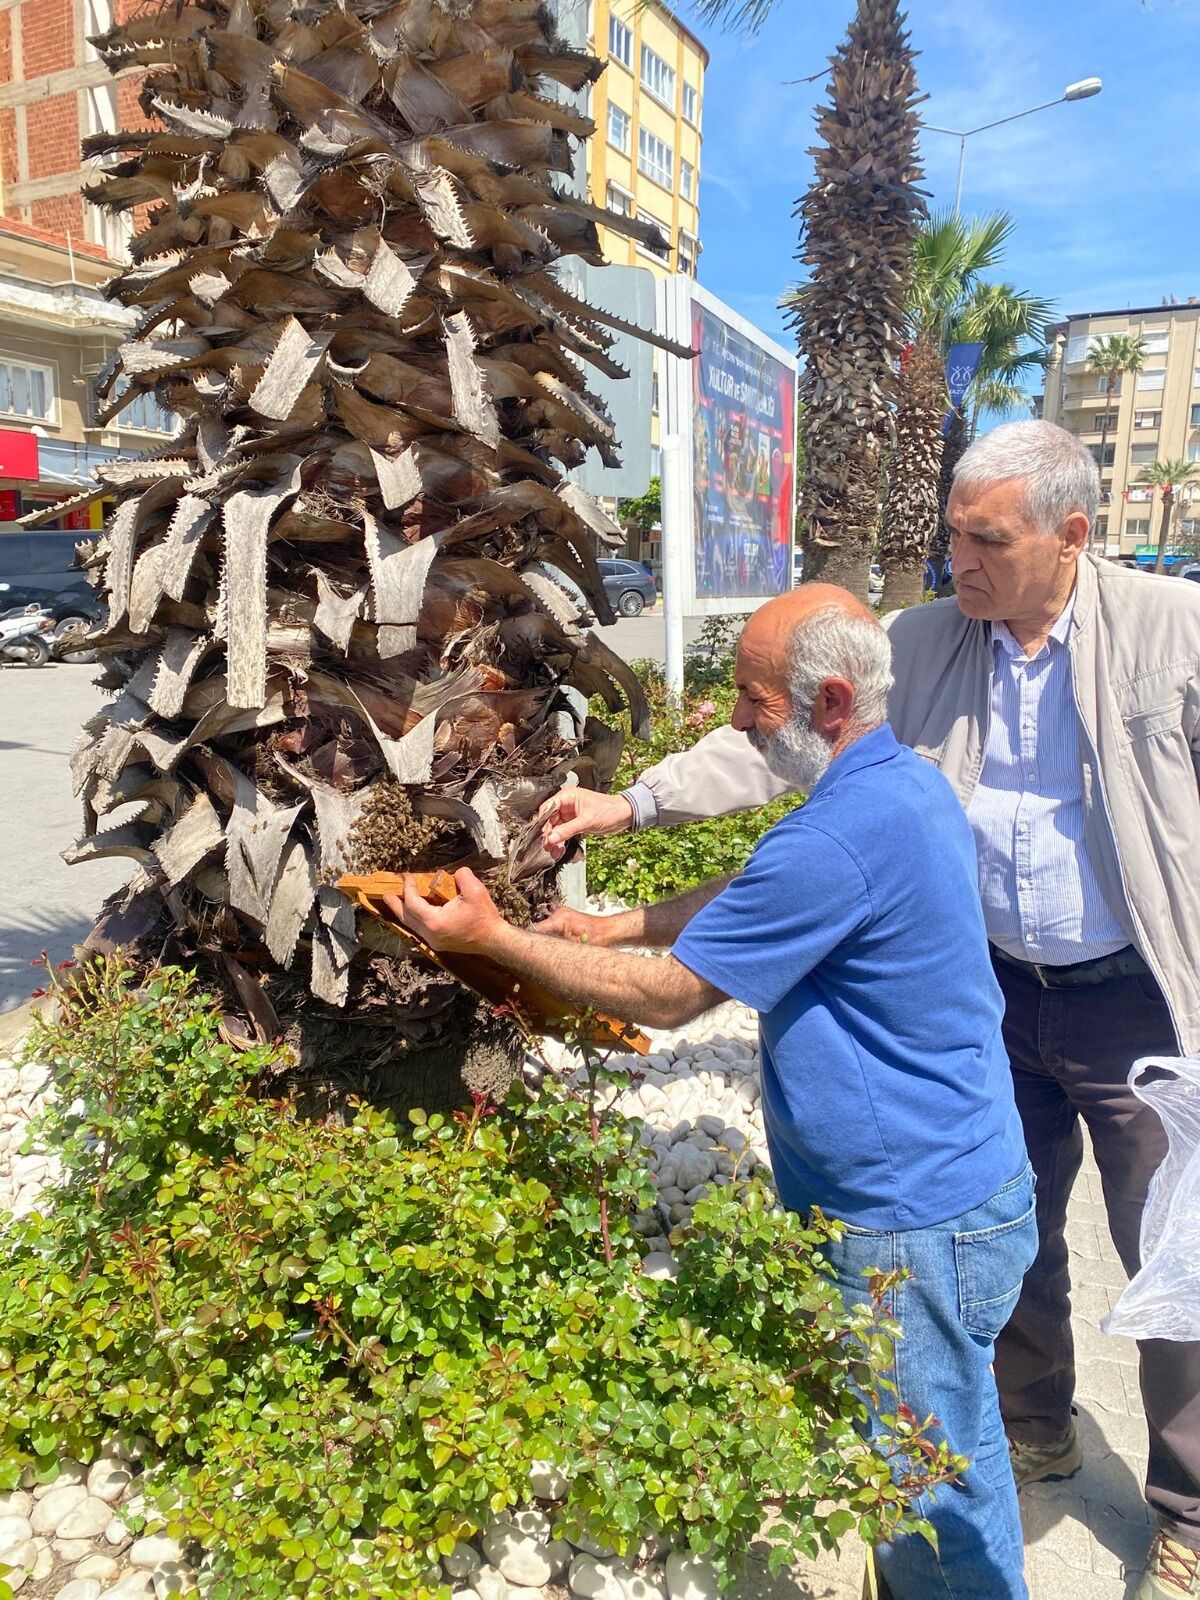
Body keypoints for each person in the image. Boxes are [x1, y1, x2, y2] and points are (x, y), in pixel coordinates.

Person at [540, 420, 1200, 1600]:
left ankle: (1189, 1508)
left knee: (1174, 1251)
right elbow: (773, 740)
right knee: (1012, 1229)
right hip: (987, 988)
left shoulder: (1171, 631)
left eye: (986, 539)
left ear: (1073, 535)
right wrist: (633, 807)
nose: (960, 561)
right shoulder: (931, 638)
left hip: (1132, 998)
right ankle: (1030, 1423)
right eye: (952, 533)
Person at [392, 587, 1037, 1600]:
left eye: (751, 697)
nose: (736, 717)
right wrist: (616, 923)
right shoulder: (897, 786)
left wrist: (493, 941)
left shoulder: (838, 833)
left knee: (927, 1468)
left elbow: (678, 996)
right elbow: (758, 898)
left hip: (913, 1219)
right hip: (958, 1181)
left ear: (828, 701)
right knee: (941, 1434)